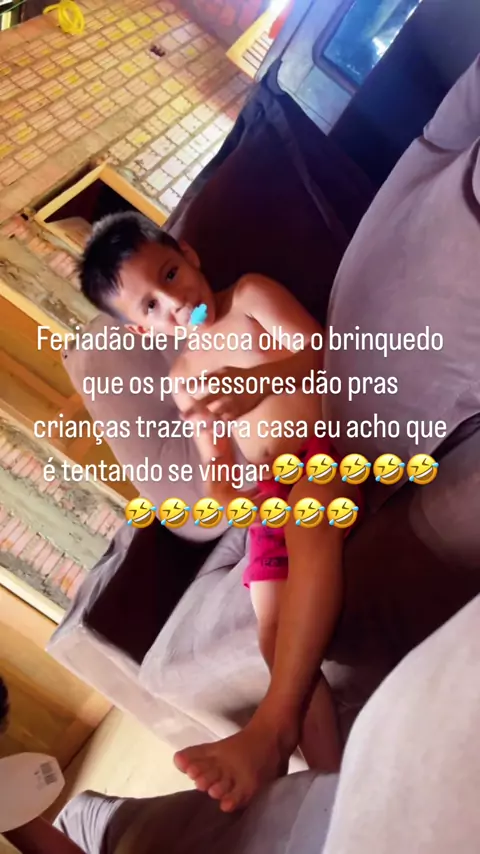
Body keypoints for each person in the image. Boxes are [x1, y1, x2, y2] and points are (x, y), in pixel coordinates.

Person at [80, 212, 358, 811]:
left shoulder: (249, 297)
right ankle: (335, 791)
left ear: (189, 255)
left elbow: (319, 350)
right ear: (141, 330)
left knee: (309, 513)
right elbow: (217, 471)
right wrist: (229, 497)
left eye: (170, 275)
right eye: (151, 307)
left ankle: (272, 729)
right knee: (271, 633)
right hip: (269, 494)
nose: (175, 303)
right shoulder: (185, 378)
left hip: (322, 453)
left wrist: (262, 382)